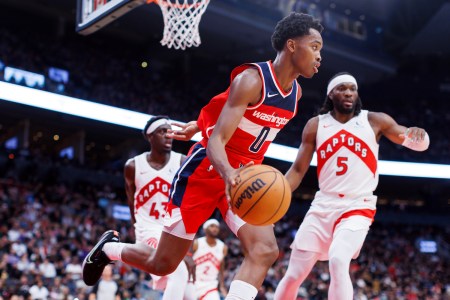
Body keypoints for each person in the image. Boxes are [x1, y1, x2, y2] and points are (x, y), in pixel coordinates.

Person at [82, 12, 323, 300]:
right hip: (207, 171)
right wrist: (227, 171)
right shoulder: (251, 80)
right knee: (163, 264)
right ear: (292, 45)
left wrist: (203, 125)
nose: (320, 56)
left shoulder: (294, 95)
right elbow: (215, 142)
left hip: (245, 177)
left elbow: (232, 112)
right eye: (315, 46)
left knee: (265, 249)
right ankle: (109, 249)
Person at [273, 72, 430, 300]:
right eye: (342, 88)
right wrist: (279, 194)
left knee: (338, 259)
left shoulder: (374, 120)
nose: (348, 92)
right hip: (323, 203)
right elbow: (298, 170)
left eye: (352, 89)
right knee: (294, 273)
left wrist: (420, 136)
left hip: (358, 203)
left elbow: (416, 142)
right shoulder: (316, 125)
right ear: (331, 94)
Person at [123, 115, 195, 300]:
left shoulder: (182, 162)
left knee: (189, 293)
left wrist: (185, 249)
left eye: (170, 131)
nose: (169, 135)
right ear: (150, 136)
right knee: (177, 272)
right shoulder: (133, 166)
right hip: (148, 229)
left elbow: (188, 204)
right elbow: (132, 202)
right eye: (163, 131)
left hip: (171, 230)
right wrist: (138, 231)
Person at [191, 219, 228, 300]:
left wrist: (222, 285)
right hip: (193, 282)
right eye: (212, 226)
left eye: (217, 227)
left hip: (210, 285)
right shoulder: (197, 243)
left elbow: (221, 268)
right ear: (205, 229)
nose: (215, 229)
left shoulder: (223, 247)